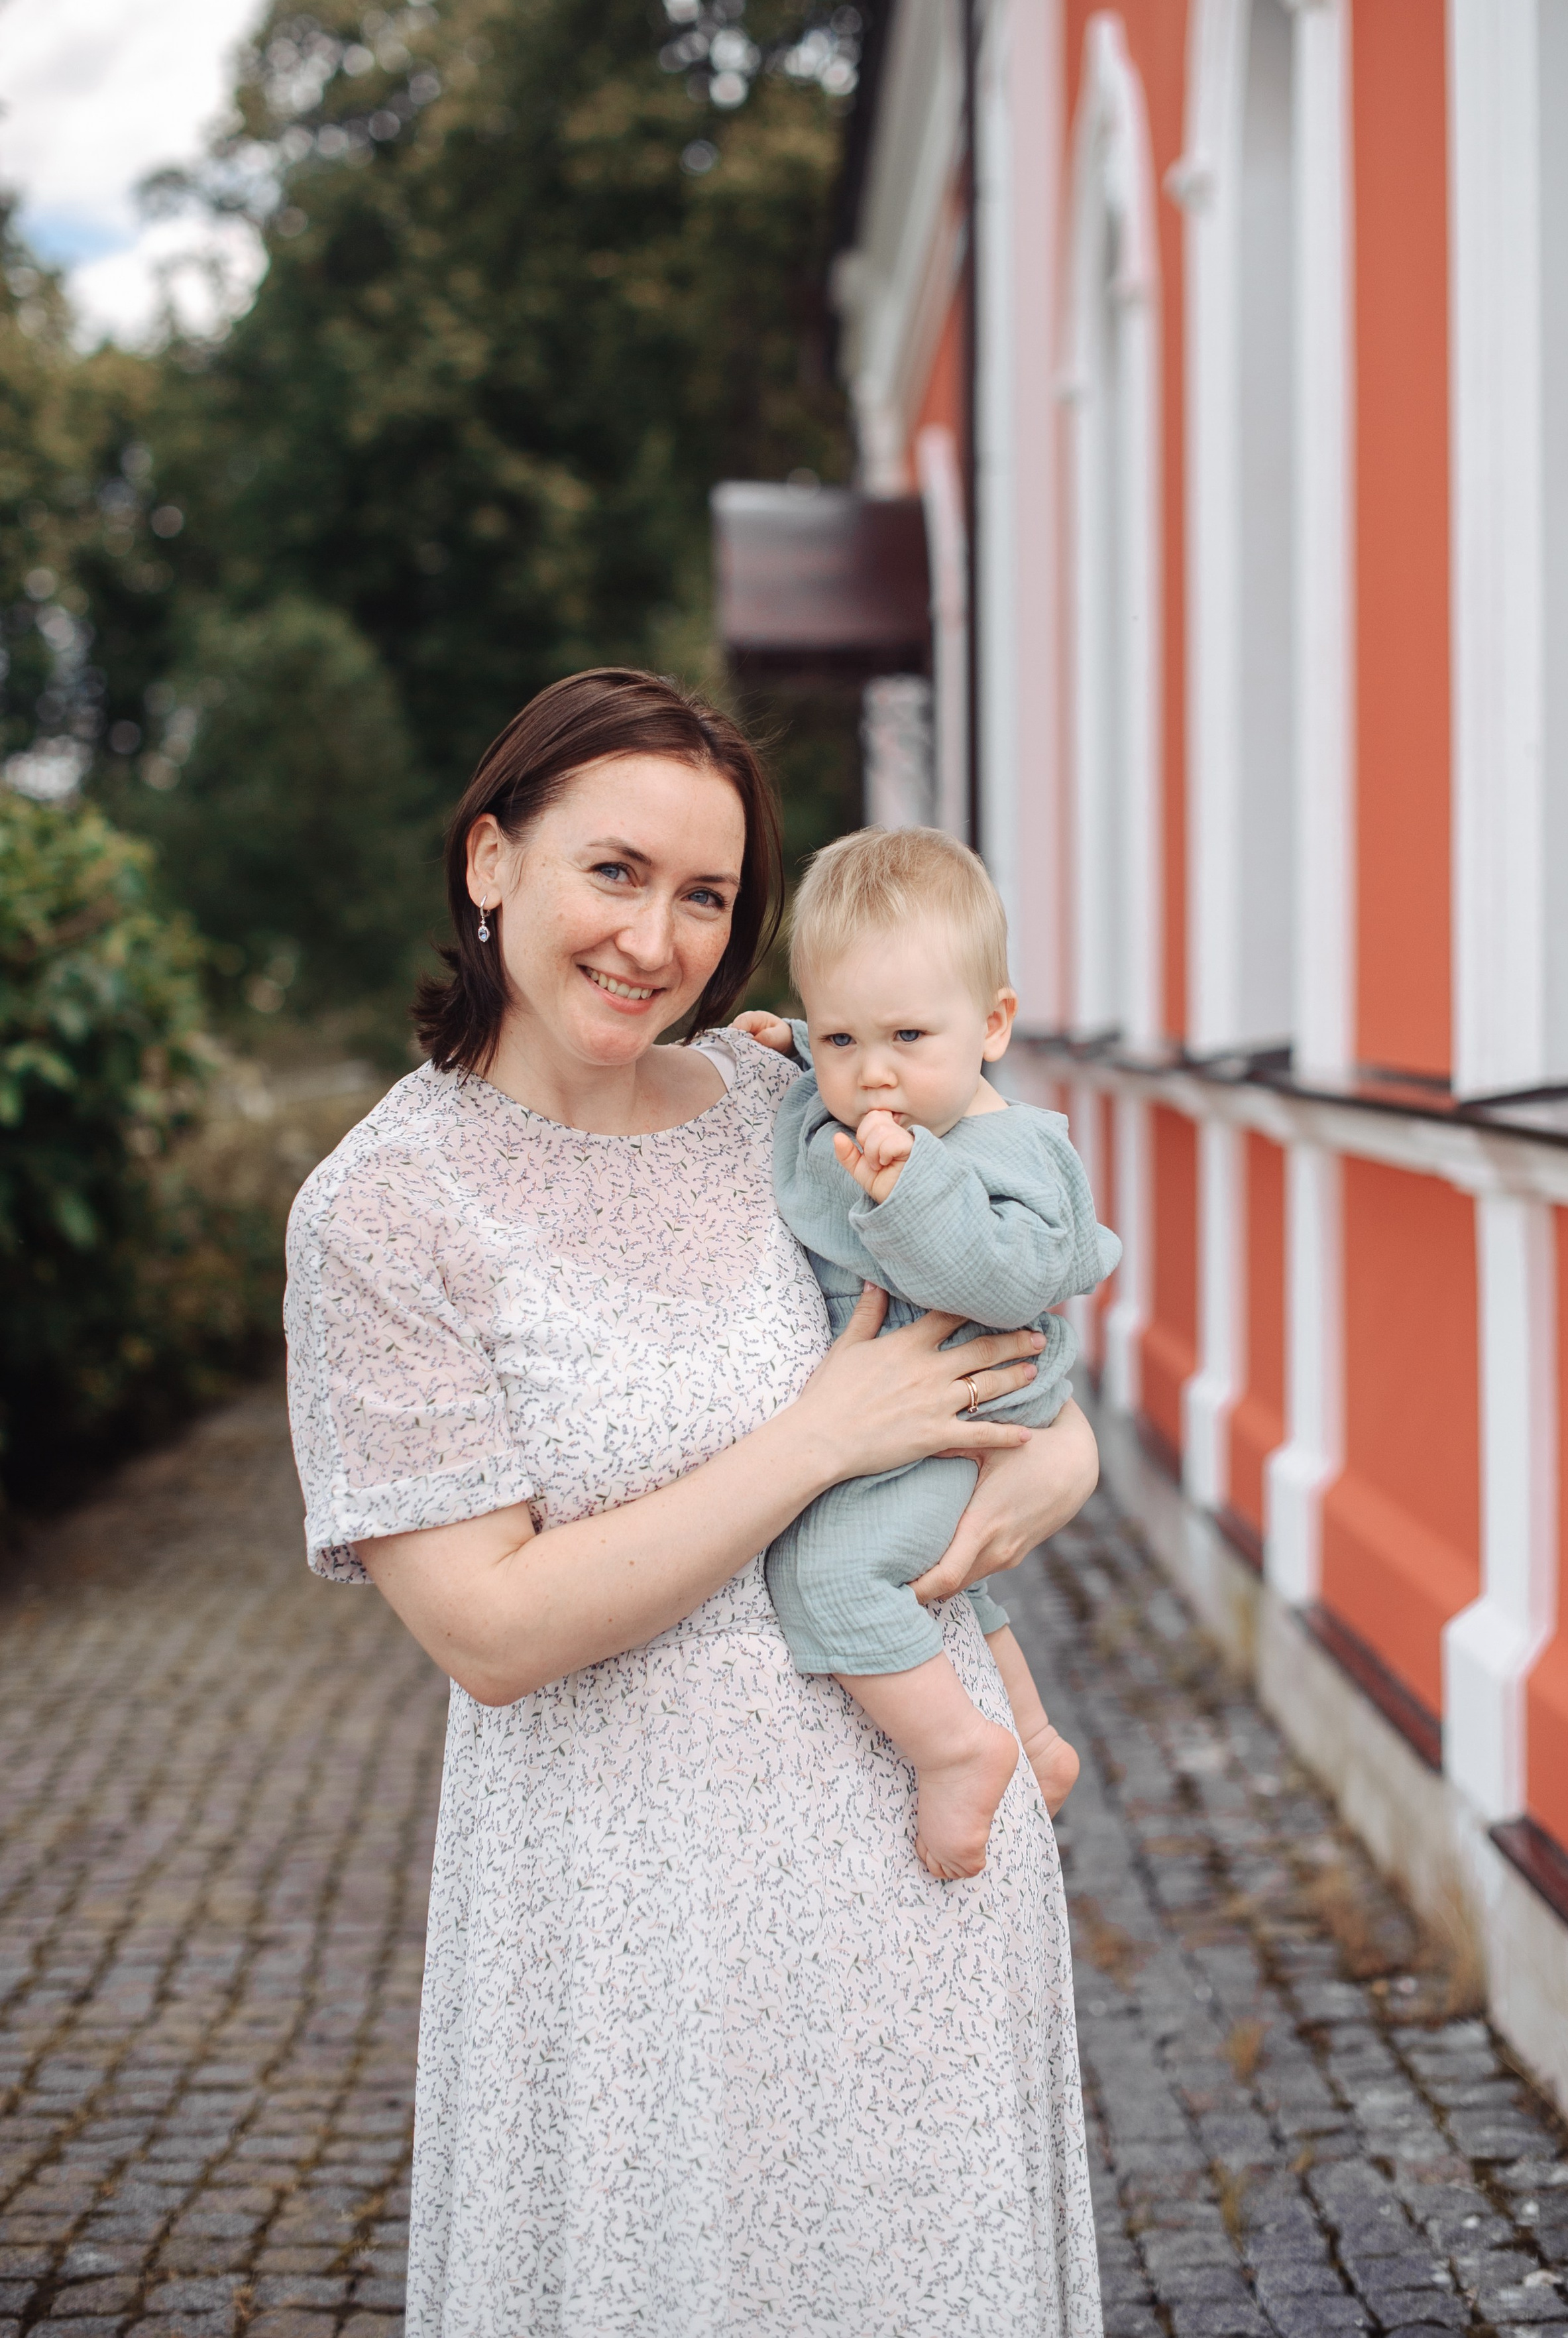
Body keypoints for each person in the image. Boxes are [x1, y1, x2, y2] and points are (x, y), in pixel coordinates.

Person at [283, 668, 1105, 2338]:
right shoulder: (380, 1213)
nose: (653, 939)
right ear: (491, 856)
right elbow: (491, 1632)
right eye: (614, 871)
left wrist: (1057, 1455)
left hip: (908, 1865)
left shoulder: (779, 1107)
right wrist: (813, 1442)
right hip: (628, 1923)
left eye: (704, 896)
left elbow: (1001, 1321)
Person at [734, 827, 1119, 1885]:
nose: (874, 1075)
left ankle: (957, 1751)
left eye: (908, 1035)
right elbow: (865, 1042)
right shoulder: (870, 1089)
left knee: (831, 1566)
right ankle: (1033, 1739)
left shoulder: (1010, 1152)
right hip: (916, 1420)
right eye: (842, 1040)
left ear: (994, 1025)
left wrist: (915, 1191)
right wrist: (789, 1047)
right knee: (950, 1586)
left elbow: (1001, 1282)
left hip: (970, 1412)